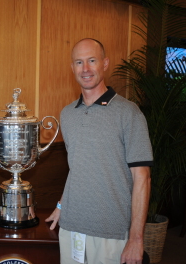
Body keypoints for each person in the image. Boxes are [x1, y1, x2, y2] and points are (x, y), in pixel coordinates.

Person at [45, 38, 153, 264]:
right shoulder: (67, 114)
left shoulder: (129, 113)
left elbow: (142, 177)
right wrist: (61, 205)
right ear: (72, 68)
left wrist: (136, 239)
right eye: (79, 62)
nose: (85, 69)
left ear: (105, 63)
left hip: (110, 233)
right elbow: (77, 167)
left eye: (91, 61)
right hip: (71, 228)